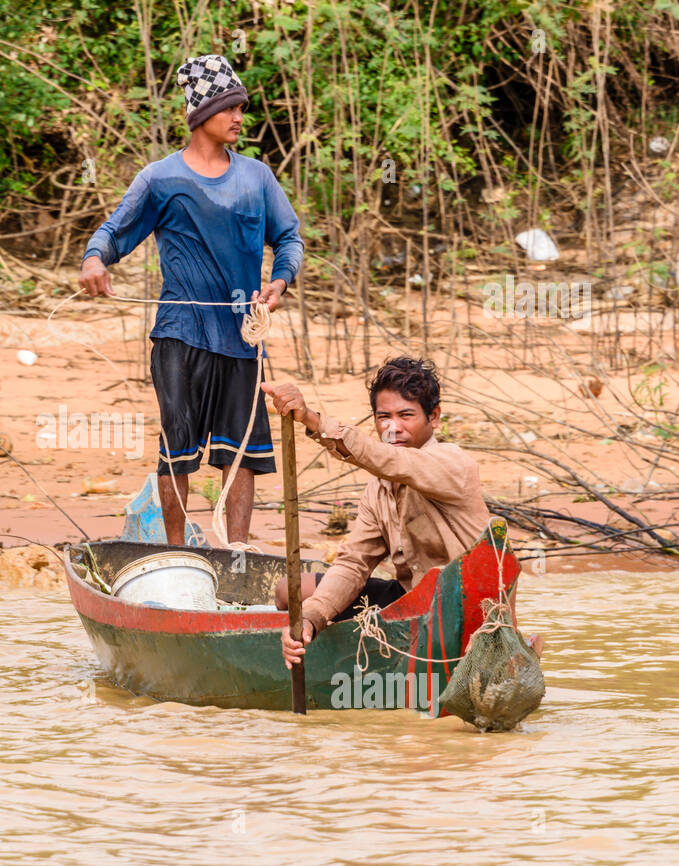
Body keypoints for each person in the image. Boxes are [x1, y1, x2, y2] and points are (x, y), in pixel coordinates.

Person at [79, 53, 304, 545]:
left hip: (242, 337)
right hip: (180, 334)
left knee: (241, 451)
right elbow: (115, 231)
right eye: (230, 109)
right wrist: (95, 260)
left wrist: (280, 281)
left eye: (242, 108)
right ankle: (177, 552)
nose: (240, 118)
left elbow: (289, 237)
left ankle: (237, 552)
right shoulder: (161, 178)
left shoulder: (257, 177)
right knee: (177, 447)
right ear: (200, 115)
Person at [261, 356, 521, 670]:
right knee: (292, 591)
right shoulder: (378, 487)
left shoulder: (452, 464)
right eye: (383, 417)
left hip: (464, 608)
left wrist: (314, 421)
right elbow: (355, 563)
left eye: (406, 415)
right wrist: (313, 618)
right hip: (411, 601)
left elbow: (392, 462)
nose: (391, 428)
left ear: (433, 417)